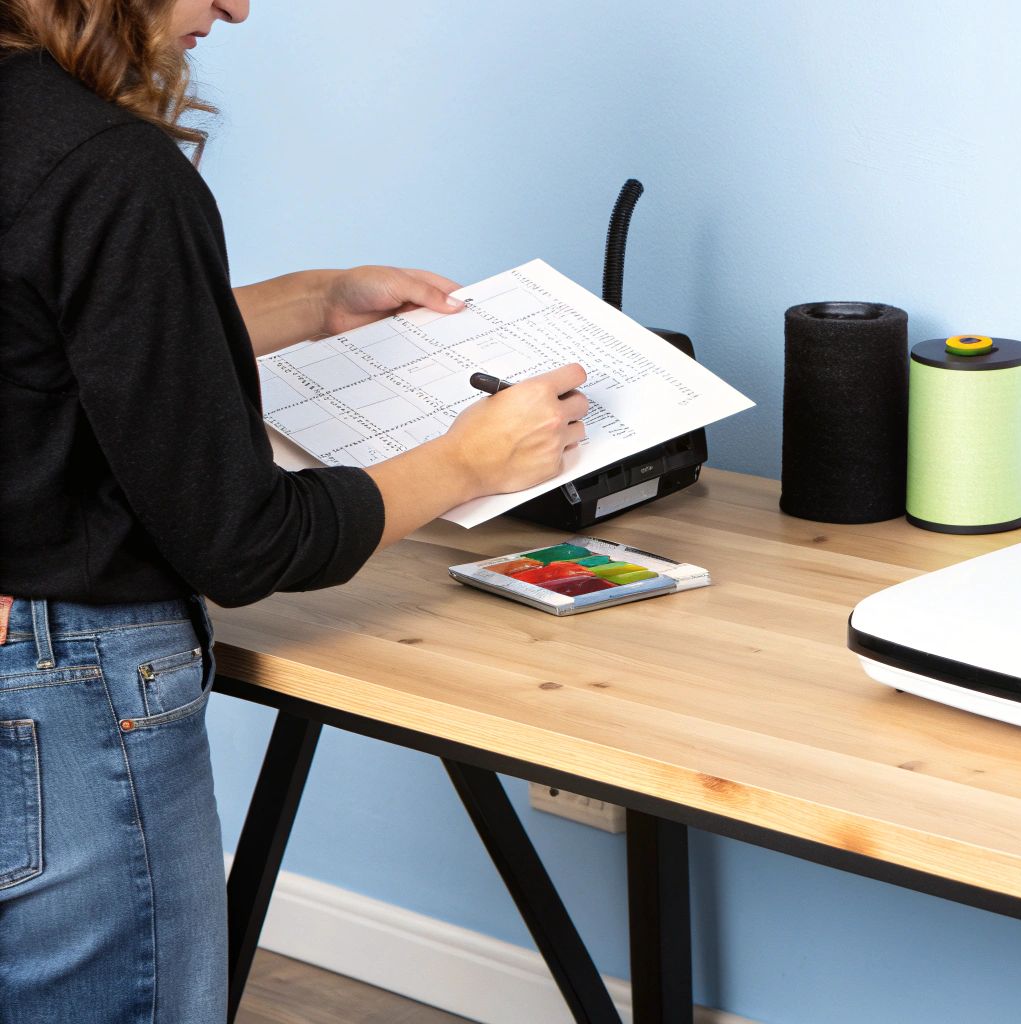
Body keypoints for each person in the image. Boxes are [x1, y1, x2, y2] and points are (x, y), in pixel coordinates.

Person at [0, 0, 585, 1018]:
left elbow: (42, 343)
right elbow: (243, 540)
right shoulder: (113, 169)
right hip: (70, 703)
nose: (234, 6)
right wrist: (465, 461)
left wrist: (313, 300)